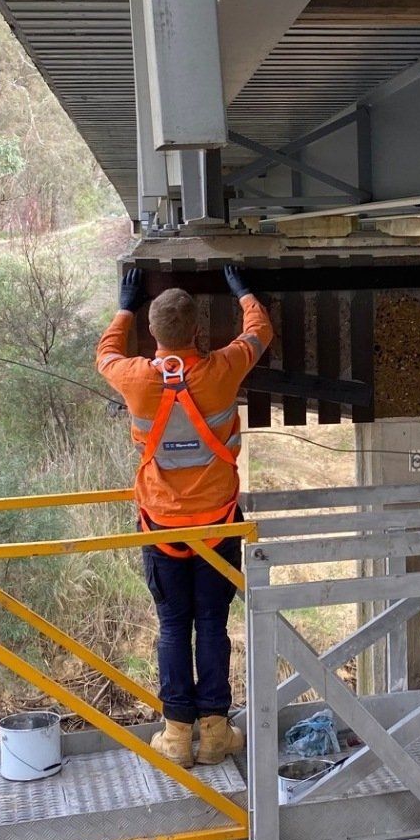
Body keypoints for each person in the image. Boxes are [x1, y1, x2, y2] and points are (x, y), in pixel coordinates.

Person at [97, 264, 273, 768]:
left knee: (174, 626)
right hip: (218, 524)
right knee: (212, 623)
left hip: (161, 528)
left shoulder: (134, 378)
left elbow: (105, 354)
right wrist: (244, 292)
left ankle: (177, 736)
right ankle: (215, 732)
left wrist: (124, 305)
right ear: (198, 330)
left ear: (152, 333)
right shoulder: (221, 370)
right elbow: (259, 332)